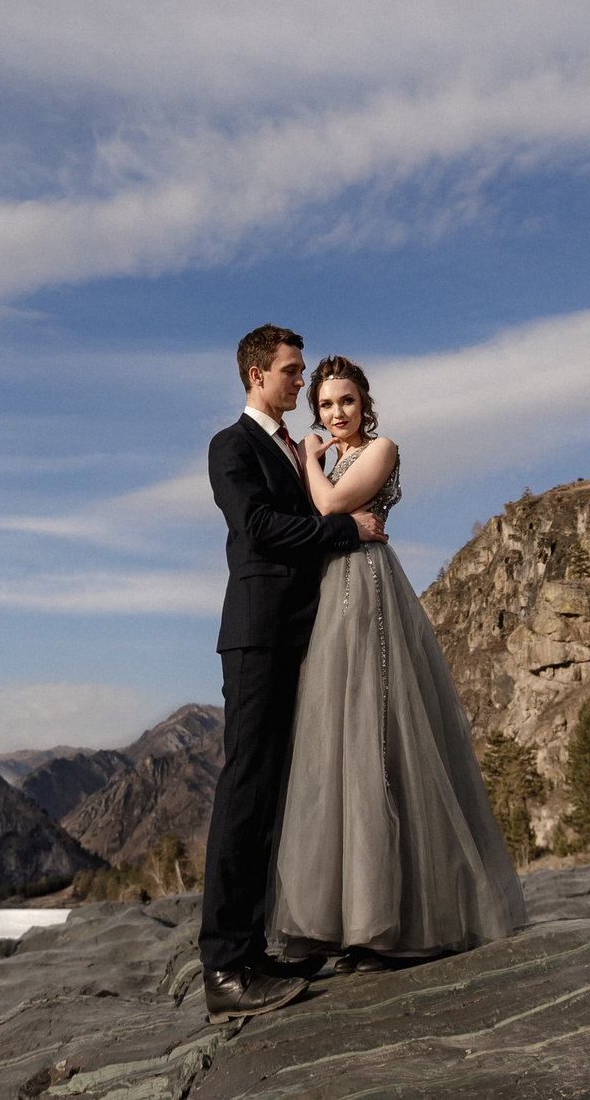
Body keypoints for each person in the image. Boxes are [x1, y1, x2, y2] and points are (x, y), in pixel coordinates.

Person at [270, 355, 527, 970]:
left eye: (347, 402)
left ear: (366, 405)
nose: (336, 413)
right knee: (338, 747)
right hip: (330, 597)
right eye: (327, 405)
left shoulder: (380, 449)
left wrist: (307, 456)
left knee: (380, 739)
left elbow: (330, 507)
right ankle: (347, 921)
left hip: (367, 594)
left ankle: (395, 922)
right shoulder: (334, 455)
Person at [198, 325, 389, 1024]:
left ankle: (259, 950)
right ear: (255, 375)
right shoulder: (232, 445)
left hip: (301, 636)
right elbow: (259, 529)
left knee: (278, 793)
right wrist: (348, 531)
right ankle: (223, 966)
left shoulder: (290, 447)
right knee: (245, 793)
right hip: (257, 637)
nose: (299, 381)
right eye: (290, 370)